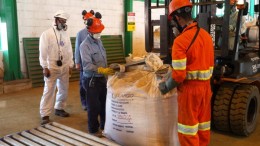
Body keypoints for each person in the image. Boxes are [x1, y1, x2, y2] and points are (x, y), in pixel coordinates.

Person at [158, 0, 214, 146]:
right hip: (206, 89)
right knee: (203, 128)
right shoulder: (207, 36)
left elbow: (179, 75)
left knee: (188, 131)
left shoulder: (180, 42)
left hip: (190, 92)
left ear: (177, 18)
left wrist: (165, 86)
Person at [80, 12, 113, 136]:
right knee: (93, 107)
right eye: (96, 32)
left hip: (102, 79)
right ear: (89, 31)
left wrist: (107, 69)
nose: (98, 34)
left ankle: (104, 126)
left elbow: (102, 58)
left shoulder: (99, 41)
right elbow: (87, 65)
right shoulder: (85, 46)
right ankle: (93, 129)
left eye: (99, 31)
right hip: (91, 80)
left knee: (104, 104)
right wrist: (100, 70)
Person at [39, 10, 74, 125]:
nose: (64, 23)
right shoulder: (47, 34)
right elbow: (43, 52)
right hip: (51, 67)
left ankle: (59, 108)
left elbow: (69, 51)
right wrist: (44, 67)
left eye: (65, 21)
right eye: (62, 21)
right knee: (49, 91)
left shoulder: (65, 34)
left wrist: (70, 64)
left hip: (64, 67)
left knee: (64, 89)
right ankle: (45, 115)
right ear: (56, 20)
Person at [75, 10, 94, 111]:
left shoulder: (96, 32)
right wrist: (77, 62)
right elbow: (77, 48)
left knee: (93, 84)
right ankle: (84, 103)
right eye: (87, 20)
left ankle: (91, 101)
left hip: (94, 63)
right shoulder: (80, 34)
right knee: (83, 84)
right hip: (83, 63)